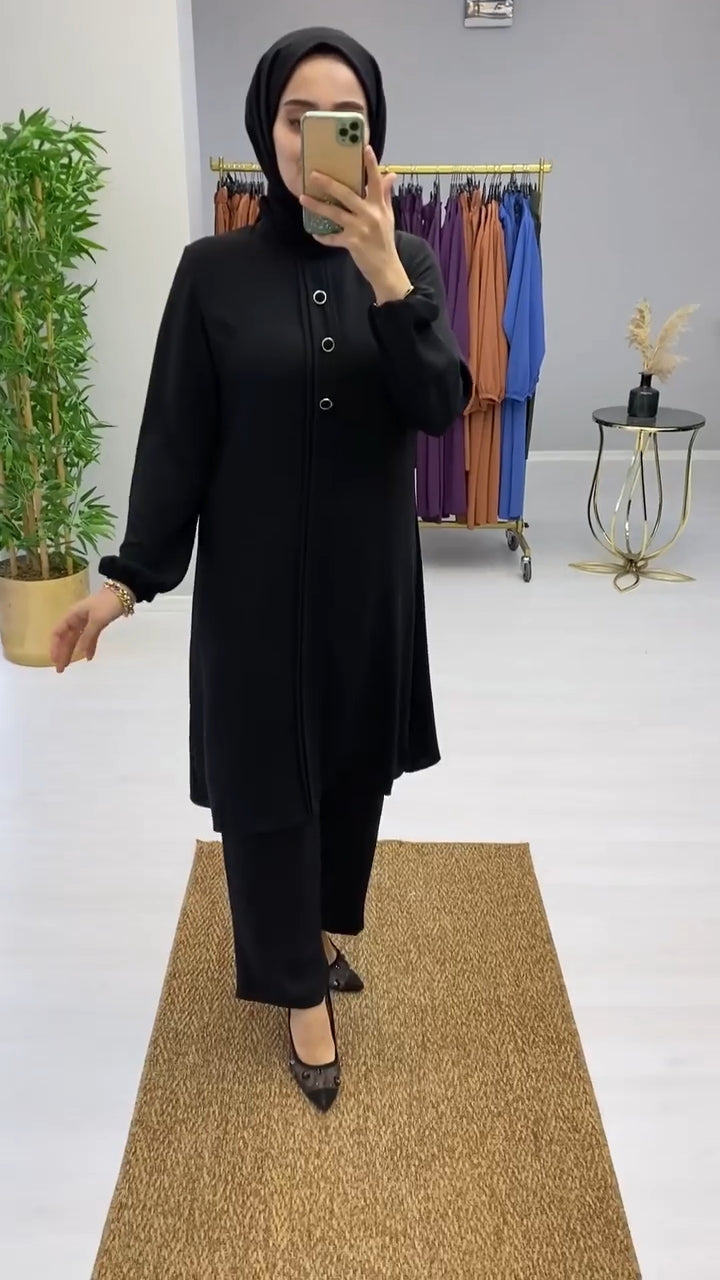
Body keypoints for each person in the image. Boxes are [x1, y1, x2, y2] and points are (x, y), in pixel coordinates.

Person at [50, 27, 471, 1113]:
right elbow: (176, 440)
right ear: (266, 128)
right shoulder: (214, 273)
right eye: (297, 116)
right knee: (266, 789)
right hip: (251, 594)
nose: (316, 137)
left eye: (343, 120)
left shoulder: (411, 262)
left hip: (368, 589)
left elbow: (439, 405)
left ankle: (318, 932)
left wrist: (385, 275)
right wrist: (124, 581)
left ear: (371, 137)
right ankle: (299, 993)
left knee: (350, 777)